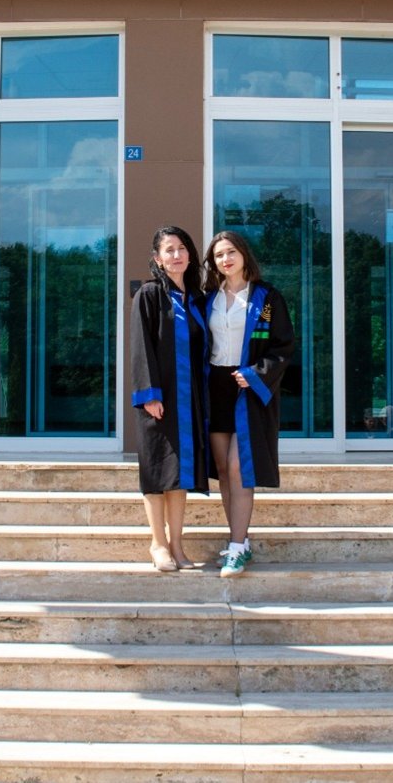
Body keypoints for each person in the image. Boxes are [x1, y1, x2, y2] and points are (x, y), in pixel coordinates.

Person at [203, 229, 295, 578]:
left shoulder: (267, 299)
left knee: (240, 469)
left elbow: (282, 347)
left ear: (243, 254)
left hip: (250, 390)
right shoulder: (207, 298)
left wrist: (257, 373)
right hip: (216, 389)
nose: (225, 260)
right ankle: (236, 540)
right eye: (218, 255)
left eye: (230, 252)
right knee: (224, 472)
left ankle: (239, 547)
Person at [128, 225, 210, 572]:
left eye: (182, 248)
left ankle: (178, 546)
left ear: (190, 255)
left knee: (181, 474)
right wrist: (149, 395)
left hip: (189, 398)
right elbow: (140, 347)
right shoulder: (149, 295)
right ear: (157, 259)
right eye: (169, 250)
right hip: (158, 399)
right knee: (157, 471)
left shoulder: (198, 300)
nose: (177, 255)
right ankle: (157, 544)